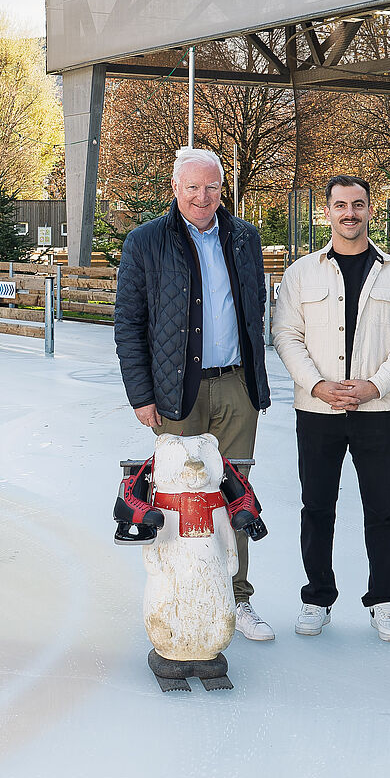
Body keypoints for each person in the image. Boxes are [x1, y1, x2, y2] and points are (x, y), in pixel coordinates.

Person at [115, 147, 274, 640]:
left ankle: (237, 598)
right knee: (178, 495)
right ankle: (174, 595)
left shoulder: (245, 238)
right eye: (192, 188)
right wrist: (142, 395)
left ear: (221, 188)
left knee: (235, 493)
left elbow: (254, 312)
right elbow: (129, 323)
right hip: (174, 392)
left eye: (211, 187)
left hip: (235, 387)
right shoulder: (145, 242)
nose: (202, 196)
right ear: (175, 190)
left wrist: (256, 382)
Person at [273, 176, 390, 642]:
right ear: (328, 212)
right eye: (340, 205)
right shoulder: (302, 273)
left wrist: (373, 386)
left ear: (370, 210)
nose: (349, 213)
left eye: (358, 204)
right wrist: (318, 385)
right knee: (317, 507)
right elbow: (286, 335)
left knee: (382, 509)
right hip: (316, 413)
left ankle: (384, 599)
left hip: (378, 412)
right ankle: (317, 597)